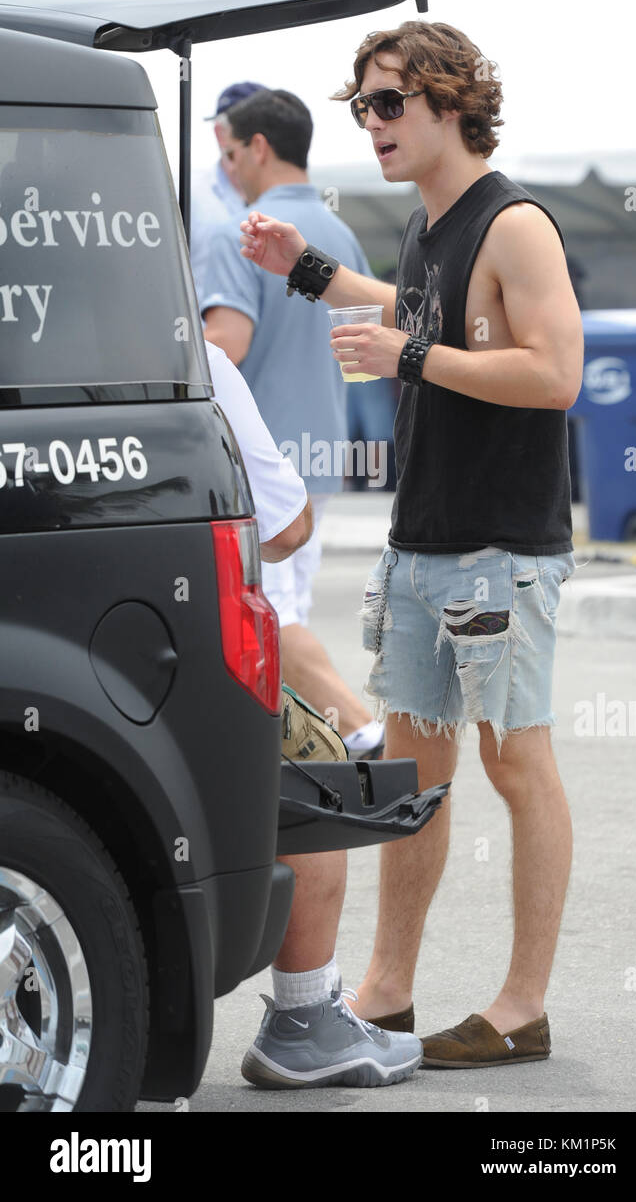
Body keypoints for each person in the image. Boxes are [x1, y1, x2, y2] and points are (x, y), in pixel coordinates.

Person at [237, 19, 584, 1070]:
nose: (372, 124)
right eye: (362, 108)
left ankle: (523, 1005)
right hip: (425, 537)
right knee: (415, 766)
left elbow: (554, 370)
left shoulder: (515, 222)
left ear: (448, 101)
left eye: (388, 103)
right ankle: (386, 992)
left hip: (500, 544)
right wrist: (310, 274)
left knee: (515, 761)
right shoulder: (433, 226)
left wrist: (413, 355)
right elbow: (419, 314)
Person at [203, 337, 422, 1088]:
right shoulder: (186, 355)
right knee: (317, 767)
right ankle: (304, 1018)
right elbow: (286, 524)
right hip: (163, 645)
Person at [200, 86, 383, 757]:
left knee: (270, 610)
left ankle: (362, 732)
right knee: (286, 602)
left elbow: (227, 344)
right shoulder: (341, 235)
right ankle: (317, 745)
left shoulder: (238, 234)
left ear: (257, 147)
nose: (227, 170)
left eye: (229, 154)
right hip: (325, 449)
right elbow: (363, 352)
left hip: (265, 457)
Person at [189, 81, 264, 298]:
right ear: (218, 133)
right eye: (241, 128)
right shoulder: (185, 194)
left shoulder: (285, 200)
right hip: (204, 331)